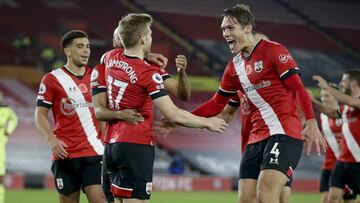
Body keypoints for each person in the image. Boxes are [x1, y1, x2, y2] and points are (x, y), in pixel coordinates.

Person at [190, 4, 326, 203]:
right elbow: (216, 104)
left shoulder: (274, 50)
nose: (225, 33)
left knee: (267, 195)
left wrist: (312, 122)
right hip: (255, 140)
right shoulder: (234, 66)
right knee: (246, 200)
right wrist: (179, 119)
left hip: (283, 133)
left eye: (230, 28)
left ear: (247, 28)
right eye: (223, 29)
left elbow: (298, 88)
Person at [102, 13, 227, 203]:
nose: (151, 37)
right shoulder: (147, 72)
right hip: (135, 145)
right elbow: (173, 114)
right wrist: (206, 122)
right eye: (149, 34)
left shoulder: (112, 57)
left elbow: (105, 56)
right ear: (142, 39)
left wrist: (146, 55)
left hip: (111, 144)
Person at [91, 27, 191, 203]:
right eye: (117, 39)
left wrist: (182, 73)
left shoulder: (149, 67)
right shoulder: (104, 67)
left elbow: (182, 93)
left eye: (121, 38)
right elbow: (99, 111)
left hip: (126, 143)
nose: (119, 42)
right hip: (120, 144)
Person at [34, 30, 106, 203]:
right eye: (80, 46)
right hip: (65, 153)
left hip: (95, 152)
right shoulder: (52, 79)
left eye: (87, 47)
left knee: (100, 199)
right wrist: (51, 140)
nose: (86, 51)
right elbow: (40, 114)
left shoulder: (97, 76)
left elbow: (103, 112)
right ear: (67, 51)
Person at [313, 70, 360, 203]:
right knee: (331, 198)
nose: (341, 83)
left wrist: (327, 87)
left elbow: (353, 102)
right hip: (342, 162)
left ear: (353, 84)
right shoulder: (345, 107)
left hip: (358, 162)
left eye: (344, 81)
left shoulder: (353, 102)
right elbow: (334, 115)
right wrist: (313, 101)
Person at [0, 91, 18, 203]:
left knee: (0, 179)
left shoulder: (6, 111)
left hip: (0, 151)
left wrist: (8, 130)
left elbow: (14, 119)